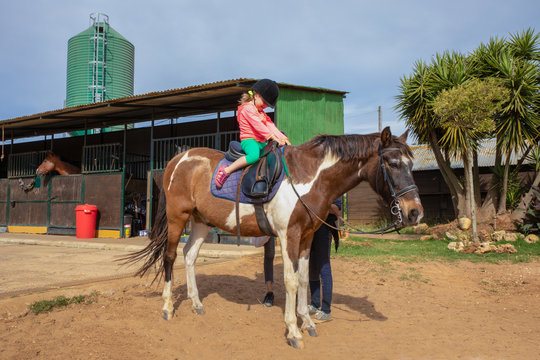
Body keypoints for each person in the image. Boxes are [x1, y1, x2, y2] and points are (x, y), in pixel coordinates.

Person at [214, 79, 290, 189]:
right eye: (264, 102)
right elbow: (259, 126)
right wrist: (274, 138)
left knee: (274, 153)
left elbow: (271, 126)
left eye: (267, 105)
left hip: (261, 142)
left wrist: (284, 138)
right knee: (254, 156)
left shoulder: (261, 113)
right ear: (256, 95)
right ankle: (226, 170)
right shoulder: (247, 109)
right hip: (249, 140)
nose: (265, 106)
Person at [308, 197, 342, 322]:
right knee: (312, 267)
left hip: (324, 228)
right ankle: (315, 304)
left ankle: (326, 310)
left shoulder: (335, 189)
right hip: (311, 227)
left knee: (324, 266)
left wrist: (319, 203)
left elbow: (336, 210)